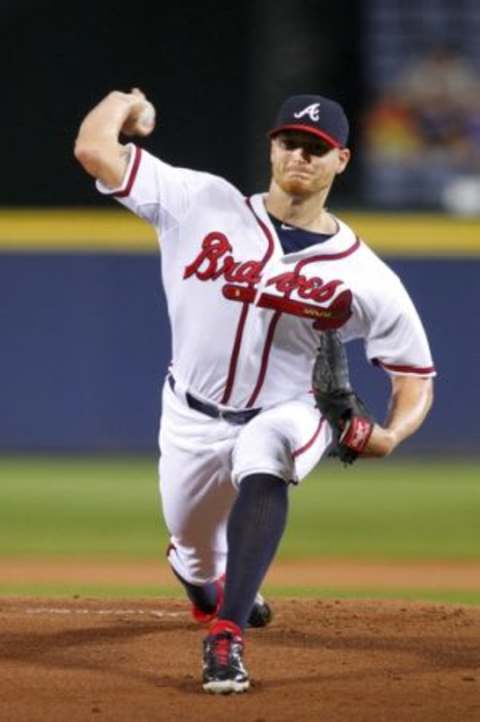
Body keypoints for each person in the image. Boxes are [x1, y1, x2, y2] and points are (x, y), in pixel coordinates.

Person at [74, 90, 435, 694]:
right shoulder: (198, 202)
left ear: (340, 161)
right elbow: (93, 147)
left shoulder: (366, 274)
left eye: (317, 149)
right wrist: (122, 102)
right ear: (271, 147)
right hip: (189, 414)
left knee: (268, 455)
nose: (301, 156)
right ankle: (203, 583)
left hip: (288, 406)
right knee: (194, 552)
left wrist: (393, 434)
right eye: (291, 142)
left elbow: (414, 376)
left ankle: (226, 635)